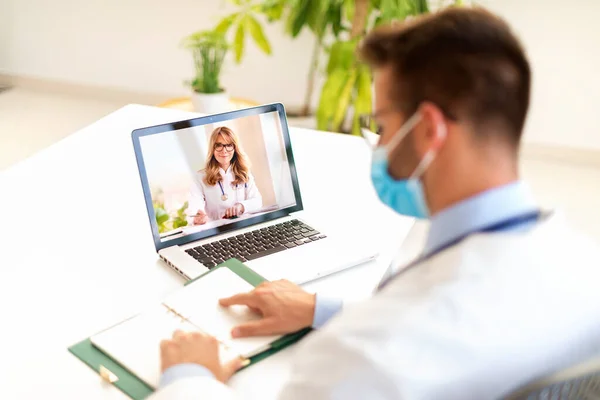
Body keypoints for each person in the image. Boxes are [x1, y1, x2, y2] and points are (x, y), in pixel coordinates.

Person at [150, 7, 600, 400]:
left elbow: (398, 343)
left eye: (381, 123)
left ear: (428, 131)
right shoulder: (585, 265)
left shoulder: (361, 358)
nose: (377, 142)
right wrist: (320, 309)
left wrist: (189, 378)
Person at [186, 126, 262, 224]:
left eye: (229, 145)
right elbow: (194, 206)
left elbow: (257, 201)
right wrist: (197, 217)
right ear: (212, 149)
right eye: (219, 145)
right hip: (218, 231)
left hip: (244, 226)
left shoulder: (244, 172)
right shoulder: (200, 177)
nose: (224, 150)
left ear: (234, 148)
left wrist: (241, 206)